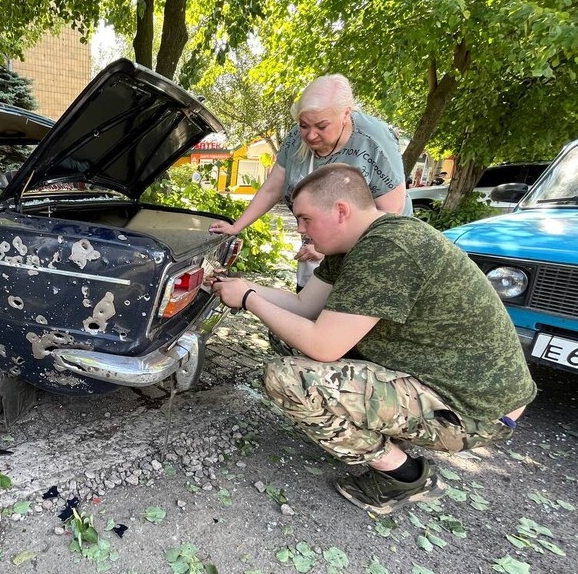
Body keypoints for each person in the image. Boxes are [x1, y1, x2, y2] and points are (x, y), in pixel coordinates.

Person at [211, 165, 536, 514]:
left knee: (287, 378)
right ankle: (384, 428)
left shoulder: (389, 249)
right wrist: (242, 286)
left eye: (305, 219)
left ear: (341, 211)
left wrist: (250, 301)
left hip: (474, 412)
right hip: (444, 379)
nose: (301, 231)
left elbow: (324, 345)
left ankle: (403, 476)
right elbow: (305, 307)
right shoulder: (354, 243)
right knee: (286, 336)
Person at [209, 74, 411, 291]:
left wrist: (328, 250)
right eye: (304, 125)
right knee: (307, 303)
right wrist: (236, 227)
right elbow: (272, 189)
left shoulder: (374, 140)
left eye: (322, 126)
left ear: (346, 114)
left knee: (333, 316)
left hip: (372, 251)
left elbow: (391, 213)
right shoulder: (296, 138)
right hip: (320, 242)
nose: (311, 135)